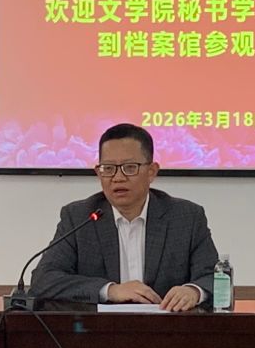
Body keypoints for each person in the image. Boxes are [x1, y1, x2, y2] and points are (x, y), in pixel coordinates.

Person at [30, 123, 221, 311]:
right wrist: (110, 290)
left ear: (152, 172)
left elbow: (214, 277)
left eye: (130, 167)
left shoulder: (186, 217)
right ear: (98, 173)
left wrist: (194, 291)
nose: (118, 178)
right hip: (98, 329)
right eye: (108, 168)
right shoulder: (79, 217)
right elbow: (43, 279)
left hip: (168, 328)